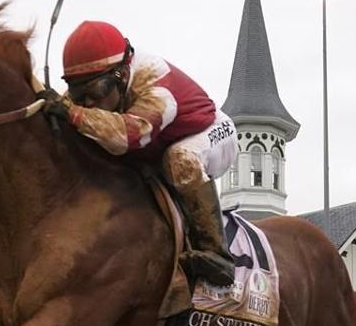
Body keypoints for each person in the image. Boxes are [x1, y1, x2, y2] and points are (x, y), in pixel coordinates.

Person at [60, 21, 240, 286]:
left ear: (120, 75)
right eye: (77, 94)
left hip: (212, 132)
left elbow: (124, 137)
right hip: (160, 141)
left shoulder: (156, 84)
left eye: (93, 93)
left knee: (180, 160)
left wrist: (70, 112)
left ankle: (217, 254)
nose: (87, 103)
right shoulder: (105, 78)